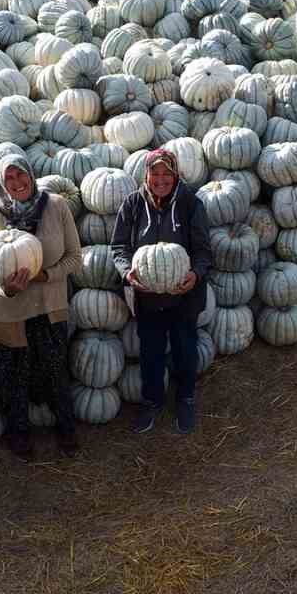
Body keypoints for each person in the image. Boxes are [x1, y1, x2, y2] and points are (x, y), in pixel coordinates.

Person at [0, 154, 83, 458]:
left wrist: (45, 275)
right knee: (15, 377)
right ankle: (19, 435)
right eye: (8, 178)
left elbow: (75, 259)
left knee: (55, 372)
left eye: (20, 174)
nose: (16, 182)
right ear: (1, 182)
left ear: (30, 174)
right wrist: (7, 287)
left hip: (48, 304)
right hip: (9, 308)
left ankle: (66, 429)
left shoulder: (56, 206)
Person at [110, 148, 213, 435]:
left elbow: (204, 251)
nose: (160, 179)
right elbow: (119, 247)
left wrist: (195, 274)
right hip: (147, 297)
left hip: (184, 296)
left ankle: (186, 399)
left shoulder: (191, 204)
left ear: (175, 174)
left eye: (166, 173)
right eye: (155, 173)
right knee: (151, 352)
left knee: (184, 349)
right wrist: (127, 271)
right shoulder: (132, 204)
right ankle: (151, 401)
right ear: (146, 175)